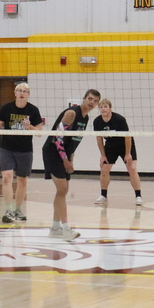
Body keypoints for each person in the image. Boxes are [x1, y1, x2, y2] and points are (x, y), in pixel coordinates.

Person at [43, 89, 101, 241]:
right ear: (83, 98)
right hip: (53, 152)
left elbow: (74, 141)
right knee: (62, 189)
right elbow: (58, 138)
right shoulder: (72, 114)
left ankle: (55, 228)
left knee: (64, 190)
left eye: (95, 101)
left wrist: (71, 159)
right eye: (90, 99)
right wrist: (65, 160)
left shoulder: (86, 118)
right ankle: (66, 228)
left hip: (65, 156)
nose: (92, 103)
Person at [0, 82, 44, 223]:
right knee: (7, 177)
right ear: (15, 93)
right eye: (19, 90)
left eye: (25, 91)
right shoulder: (6, 108)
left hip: (25, 150)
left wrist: (29, 126)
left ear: (28, 94)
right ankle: (8, 211)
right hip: (7, 148)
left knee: (22, 180)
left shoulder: (33, 110)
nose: (22, 93)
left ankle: (18, 210)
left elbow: (39, 133)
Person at [94, 99, 142, 206]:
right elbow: (99, 138)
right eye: (101, 107)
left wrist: (128, 153)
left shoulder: (119, 119)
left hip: (125, 145)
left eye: (105, 107)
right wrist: (102, 155)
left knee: (132, 169)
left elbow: (127, 137)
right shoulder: (97, 121)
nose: (103, 109)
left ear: (110, 108)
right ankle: (103, 195)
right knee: (104, 169)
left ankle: (138, 196)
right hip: (111, 145)